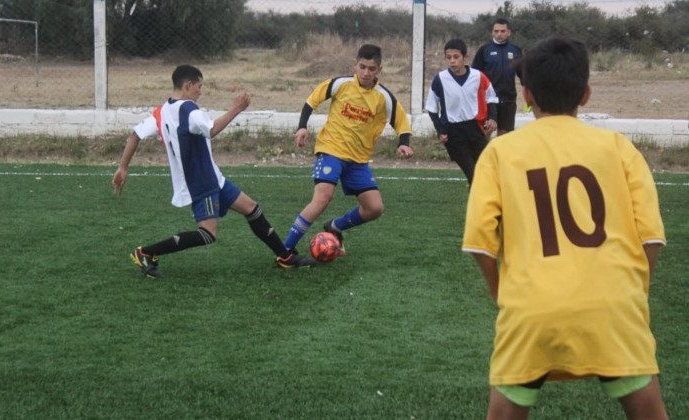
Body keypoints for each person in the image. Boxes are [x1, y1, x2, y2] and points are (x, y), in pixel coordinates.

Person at [462, 37, 668, 419]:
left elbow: (479, 245)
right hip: (616, 309)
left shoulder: (500, 153)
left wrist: (504, 297)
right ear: (586, 94)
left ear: (526, 94)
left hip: (531, 310)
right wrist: (630, 295)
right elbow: (651, 239)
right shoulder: (619, 147)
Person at [112, 64, 314, 278]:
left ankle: (284, 257)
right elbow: (212, 130)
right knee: (207, 234)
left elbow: (135, 135)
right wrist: (237, 108)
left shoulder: (161, 111)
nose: (201, 91)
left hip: (212, 176)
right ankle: (145, 252)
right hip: (201, 181)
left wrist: (122, 167)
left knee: (252, 209)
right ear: (188, 85)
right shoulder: (189, 109)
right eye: (199, 86)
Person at [283, 44, 414, 254]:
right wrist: (302, 127)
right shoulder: (340, 84)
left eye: (372, 69)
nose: (366, 72)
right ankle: (286, 249)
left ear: (379, 70)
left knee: (374, 208)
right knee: (323, 197)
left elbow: (401, 122)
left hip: (358, 160)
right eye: (362, 67)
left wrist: (404, 143)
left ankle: (335, 227)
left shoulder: (383, 97)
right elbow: (311, 101)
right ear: (355, 65)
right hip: (331, 150)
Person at [425, 38, 498, 185]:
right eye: (448, 57)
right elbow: (432, 108)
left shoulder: (478, 76)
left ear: (465, 57)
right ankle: (477, 207)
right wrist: (440, 130)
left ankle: (480, 206)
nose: (452, 61)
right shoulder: (440, 79)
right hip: (454, 133)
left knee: (485, 172)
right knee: (473, 175)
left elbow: (492, 97)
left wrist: (492, 117)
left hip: (475, 130)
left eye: (456, 57)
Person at [471, 18, 523, 137]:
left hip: (508, 100)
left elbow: (523, 74)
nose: (499, 34)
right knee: (485, 133)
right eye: (496, 31)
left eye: (503, 31)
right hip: (488, 100)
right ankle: (483, 155)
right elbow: (474, 76)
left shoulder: (516, 50)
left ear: (509, 32)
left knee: (505, 136)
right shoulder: (484, 50)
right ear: (492, 32)